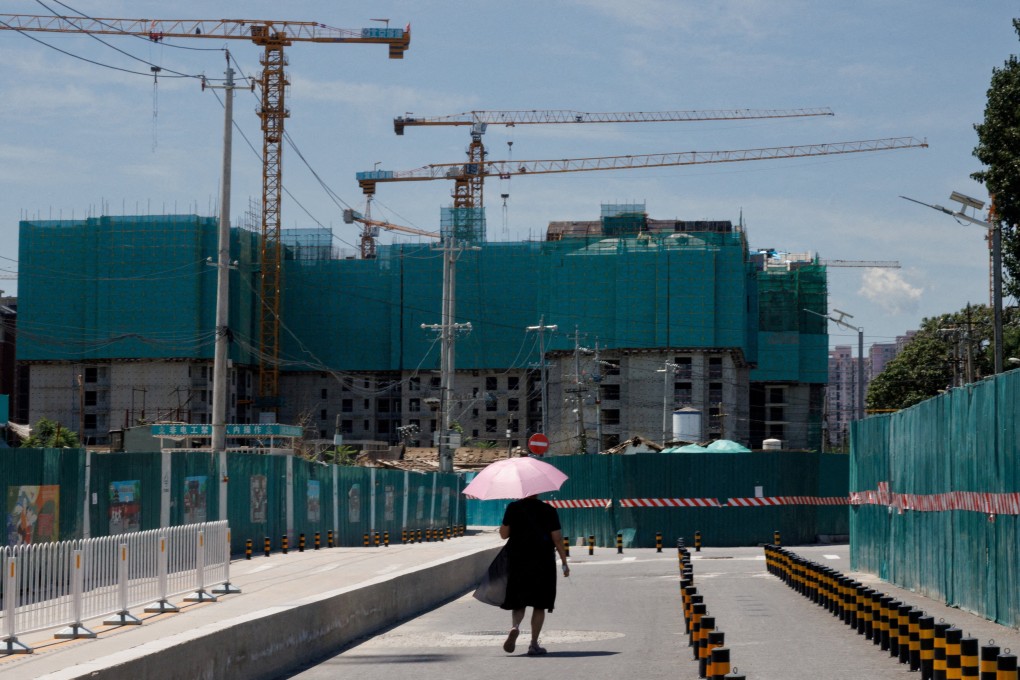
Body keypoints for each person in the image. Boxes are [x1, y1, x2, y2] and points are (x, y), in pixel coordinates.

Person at [498, 493, 569, 656]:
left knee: (519, 601)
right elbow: (557, 538)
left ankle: (515, 627)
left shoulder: (513, 508)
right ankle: (533, 644)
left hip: (518, 561)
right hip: (543, 562)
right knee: (540, 604)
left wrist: (505, 524)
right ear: (538, 492)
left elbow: (503, 534)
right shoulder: (549, 510)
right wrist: (564, 563)